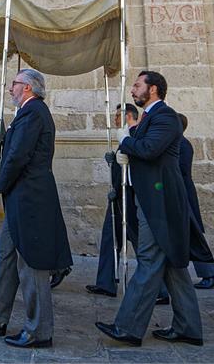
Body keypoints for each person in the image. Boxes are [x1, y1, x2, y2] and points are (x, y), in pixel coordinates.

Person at [95, 70, 204, 348]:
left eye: (137, 85)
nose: (133, 90)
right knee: (170, 265)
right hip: (151, 199)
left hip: (161, 203)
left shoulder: (165, 116)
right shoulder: (151, 118)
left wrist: (125, 141)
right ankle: (188, 327)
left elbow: (150, 149)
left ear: (153, 89)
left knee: (148, 260)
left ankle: (128, 327)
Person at [0, 69, 72, 348]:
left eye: (14, 84)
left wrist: (0, 183)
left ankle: (39, 330)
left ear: (27, 88)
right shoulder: (28, 112)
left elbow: (19, 155)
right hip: (20, 196)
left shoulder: (33, 111)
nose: (10, 88)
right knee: (7, 258)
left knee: (31, 264)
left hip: (30, 197)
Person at [87, 103, 140, 298]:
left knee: (141, 244)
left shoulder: (134, 135)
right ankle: (106, 282)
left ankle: (159, 289)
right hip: (117, 198)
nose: (115, 119)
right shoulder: (123, 136)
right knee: (110, 238)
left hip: (129, 198)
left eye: (118, 116)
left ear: (128, 116)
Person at [177, 113, 214, 290]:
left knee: (195, 237)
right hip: (181, 194)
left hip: (184, 195)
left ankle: (210, 274)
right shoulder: (180, 142)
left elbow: (180, 170)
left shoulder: (182, 144)